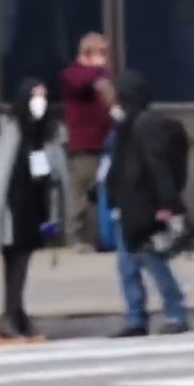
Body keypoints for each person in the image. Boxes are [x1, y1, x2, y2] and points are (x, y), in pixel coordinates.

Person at [105, 70, 192, 338]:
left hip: (145, 206)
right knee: (127, 266)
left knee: (153, 261)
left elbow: (158, 166)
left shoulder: (144, 126)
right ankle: (136, 317)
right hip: (128, 205)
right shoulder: (126, 127)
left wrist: (167, 204)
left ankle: (175, 313)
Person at [0, 79, 60, 342]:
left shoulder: (44, 132)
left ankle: (16, 314)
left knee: (20, 263)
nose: (40, 102)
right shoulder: (8, 128)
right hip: (11, 208)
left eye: (44, 97)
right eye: (35, 96)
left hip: (34, 208)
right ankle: (12, 317)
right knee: (15, 261)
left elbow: (47, 175)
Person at [60, 33, 119, 251]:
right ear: (87, 52)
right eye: (100, 51)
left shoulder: (104, 75)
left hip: (107, 143)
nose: (105, 56)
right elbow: (80, 84)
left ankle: (104, 236)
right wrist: (96, 72)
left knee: (104, 193)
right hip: (84, 145)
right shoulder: (73, 74)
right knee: (82, 193)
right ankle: (76, 237)